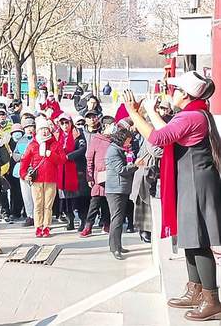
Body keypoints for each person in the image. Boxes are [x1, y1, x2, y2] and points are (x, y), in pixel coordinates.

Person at [123, 72, 221, 321]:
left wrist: (137, 112)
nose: (171, 93)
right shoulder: (194, 114)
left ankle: (211, 298)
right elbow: (164, 133)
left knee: (199, 239)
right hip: (191, 181)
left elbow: (159, 137)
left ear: (186, 95)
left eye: (176, 90)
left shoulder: (191, 116)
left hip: (196, 183)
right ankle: (195, 289)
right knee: (190, 236)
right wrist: (147, 113)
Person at [19, 117, 65, 238]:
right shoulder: (33, 145)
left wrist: (51, 155)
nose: (44, 132)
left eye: (46, 129)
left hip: (51, 179)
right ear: (37, 131)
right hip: (37, 179)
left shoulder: (55, 144)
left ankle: (46, 226)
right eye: (41, 129)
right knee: (38, 204)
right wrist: (24, 174)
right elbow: (24, 161)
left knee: (48, 205)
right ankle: (38, 226)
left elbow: (62, 160)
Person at [104, 128, 138, 260]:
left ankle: (118, 245)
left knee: (119, 218)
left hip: (121, 188)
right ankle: (114, 247)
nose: (129, 144)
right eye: (128, 141)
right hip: (115, 190)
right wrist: (135, 165)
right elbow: (121, 169)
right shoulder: (113, 151)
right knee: (117, 219)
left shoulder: (120, 149)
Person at [81, 121, 114, 237]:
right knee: (95, 202)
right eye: (110, 126)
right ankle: (88, 226)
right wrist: (89, 176)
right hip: (98, 176)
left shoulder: (115, 140)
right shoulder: (96, 139)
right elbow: (89, 159)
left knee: (107, 202)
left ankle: (107, 224)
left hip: (111, 175)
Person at [54, 113, 86, 231]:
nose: (64, 125)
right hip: (61, 170)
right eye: (62, 123)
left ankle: (83, 220)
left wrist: (68, 156)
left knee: (79, 198)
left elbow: (82, 149)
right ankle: (70, 219)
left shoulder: (78, 134)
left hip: (76, 169)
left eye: (66, 122)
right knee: (65, 199)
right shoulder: (57, 136)